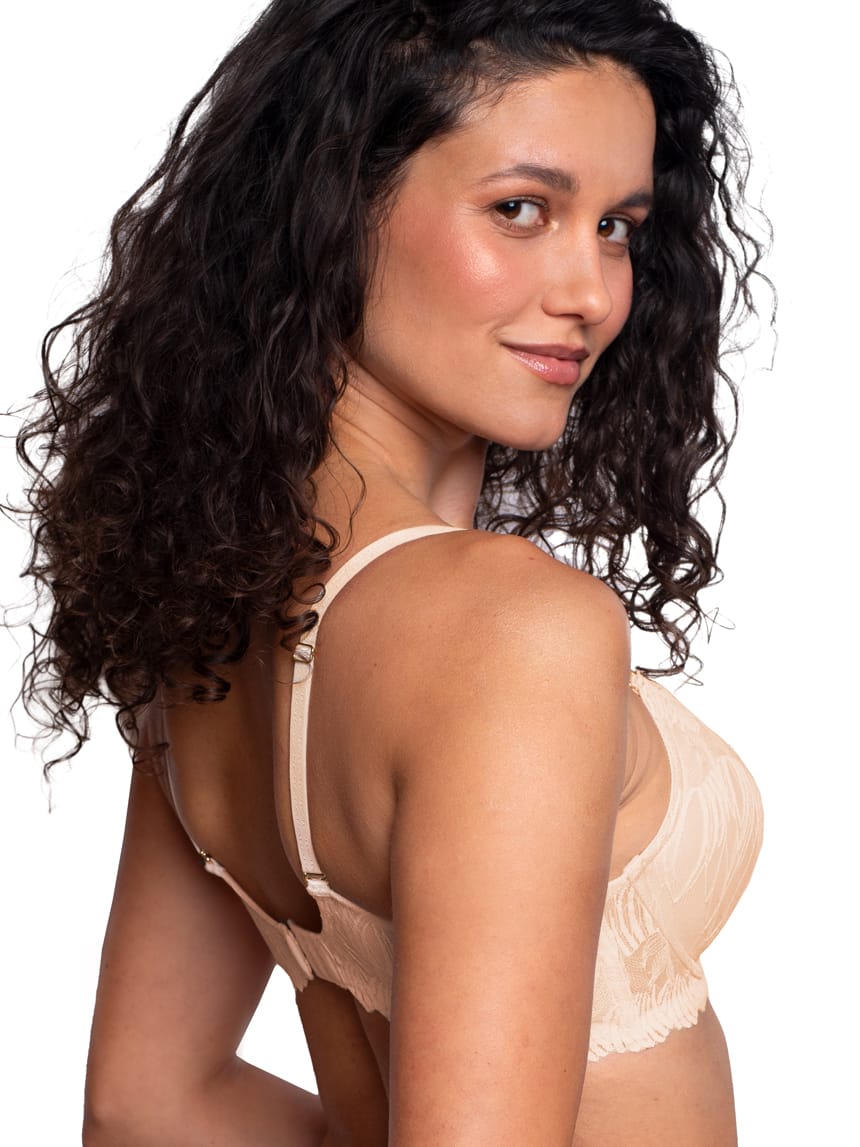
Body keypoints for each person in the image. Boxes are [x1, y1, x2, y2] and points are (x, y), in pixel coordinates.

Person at [17, 0, 767, 1142]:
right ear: (327, 208)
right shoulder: (512, 630)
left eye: (617, 227)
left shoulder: (212, 607)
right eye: (521, 209)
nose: (593, 292)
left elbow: (151, 1103)